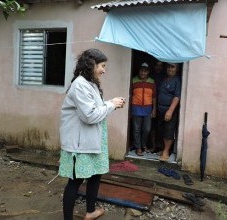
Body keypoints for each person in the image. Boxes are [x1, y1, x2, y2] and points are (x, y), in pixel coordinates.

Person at [58, 48, 126, 220]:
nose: (104, 70)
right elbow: (89, 116)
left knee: (96, 174)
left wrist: (110, 103)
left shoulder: (90, 84)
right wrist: (111, 105)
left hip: (91, 140)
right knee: (75, 181)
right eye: (102, 66)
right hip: (80, 143)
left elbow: (94, 108)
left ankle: (90, 211)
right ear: (91, 65)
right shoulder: (80, 85)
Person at [157, 63, 181, 161]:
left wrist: (170, 111)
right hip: (160, 109)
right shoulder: (164, 79)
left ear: (177, 69)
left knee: (169, 131)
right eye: (168, 66)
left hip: (169, 110)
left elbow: (177, 96)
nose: (170, 69)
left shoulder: (177, 80)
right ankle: (163, 149)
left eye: (173, 67)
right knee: (162, 130)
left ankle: (166, 152)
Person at [131, 62, 156, 156]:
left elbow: (154, 97)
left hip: (148, 108)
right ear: (139, 71)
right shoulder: (133, 80)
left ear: (148, 72)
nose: (143, 73)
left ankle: (143, 144)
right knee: (136, 129)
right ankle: (138, 148)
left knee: (147, 129)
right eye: (141, 71)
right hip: (136, 107)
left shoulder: (152, 82)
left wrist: (154, 109)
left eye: (145, 71)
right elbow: (130, 95)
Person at [149, 60, 166, 153]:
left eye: (160, 65)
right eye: (157, 65)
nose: (158, 67)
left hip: (163, 106)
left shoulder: (165, 77)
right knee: (152, 128)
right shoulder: (150, 76)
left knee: (162, 128)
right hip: (151, 105)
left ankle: (162, 148)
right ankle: (153, 146)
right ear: (154, 66)